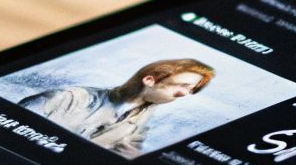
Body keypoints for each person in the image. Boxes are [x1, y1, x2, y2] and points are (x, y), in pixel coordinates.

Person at [19, 57, 214, 158]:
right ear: (149, 80)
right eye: (183, 86)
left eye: (192, 90)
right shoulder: (68, 97)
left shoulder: (137, 126)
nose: (185, 94)